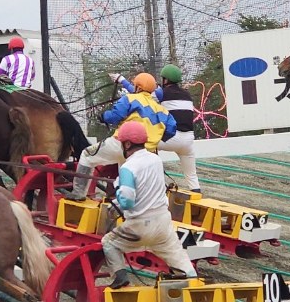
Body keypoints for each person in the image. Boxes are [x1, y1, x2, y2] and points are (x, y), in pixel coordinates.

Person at [102, 121, 197, 289]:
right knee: (180, 259)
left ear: (128, 144)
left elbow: (127, 200)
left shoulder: (128, 167)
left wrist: (117, 192)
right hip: (163, 223)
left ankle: (120, 277)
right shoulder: (155, 160)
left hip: (139, 225)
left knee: (109, 242)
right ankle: (193, 282)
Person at [65, 72, 176, 201]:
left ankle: (78, 193)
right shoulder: (163, 110)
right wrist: (154, 137)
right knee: (125, 170)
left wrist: (103, 116)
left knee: (86, 155)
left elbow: (115, 116)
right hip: (146, 153)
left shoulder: (130, 98)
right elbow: (171, 130)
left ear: (138, 87)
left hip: (121, 145)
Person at [113, 64, 200, 193]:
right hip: (188, 141)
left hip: (171, 139)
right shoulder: (187, 95)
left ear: (165, 80)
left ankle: (129, 183)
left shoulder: (162, 93)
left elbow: (137, 93)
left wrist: (121, 80)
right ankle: (197, 199)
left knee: (139, 146)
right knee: (192, 176)